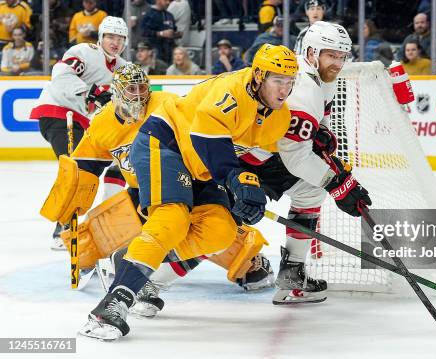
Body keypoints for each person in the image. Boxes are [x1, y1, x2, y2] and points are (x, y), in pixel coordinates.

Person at [77, 44, 298, 341]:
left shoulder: (279, 117)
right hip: (166, 143)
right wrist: (237, 180)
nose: (284, 90)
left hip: (201, 167)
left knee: (220, 231)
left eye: (289, 82)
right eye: (277, 80)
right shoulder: (231, 91)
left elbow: (257, 160)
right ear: (258, 76)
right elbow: (209, 141)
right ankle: (112, 304)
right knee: (172, 220)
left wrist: (255, 195)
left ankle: (134, 258)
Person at [40, 63, 274, 319]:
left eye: (143, 87)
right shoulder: (102, 124)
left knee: (220, 231)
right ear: (117, 92)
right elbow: (85, 168)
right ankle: (138, 275)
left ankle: (245, 263)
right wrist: (72, 201)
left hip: (188, 179)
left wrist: (224, 175)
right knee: (107, 234)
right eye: (131, 89)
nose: (139, 94)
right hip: (141, 194)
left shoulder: (165, 102)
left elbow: (203, 132)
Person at [260, 21, 371, 304]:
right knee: (216, 221)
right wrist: (338, 184)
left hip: (265, 153)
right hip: (244, 156)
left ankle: (292, 272)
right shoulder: (302, 87)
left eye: (342, 56)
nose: (337, 62)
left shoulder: (321, 79)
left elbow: (310, 133)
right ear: (311, 53)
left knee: (309, 191)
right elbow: (296, 158)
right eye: (331, 55)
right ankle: (148, 283)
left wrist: (321, 133)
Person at [29, 16, 128, 249]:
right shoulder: (85, 51)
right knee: (75, 170)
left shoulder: (123, 68)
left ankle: (80, 223)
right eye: (111, 37)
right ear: (101, 37)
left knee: (89, 167)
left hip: (80, 121)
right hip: (57, 113)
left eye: (120, 38)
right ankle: (63, 228)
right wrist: (90, 92)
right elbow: (61, 74)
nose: (115, 42)